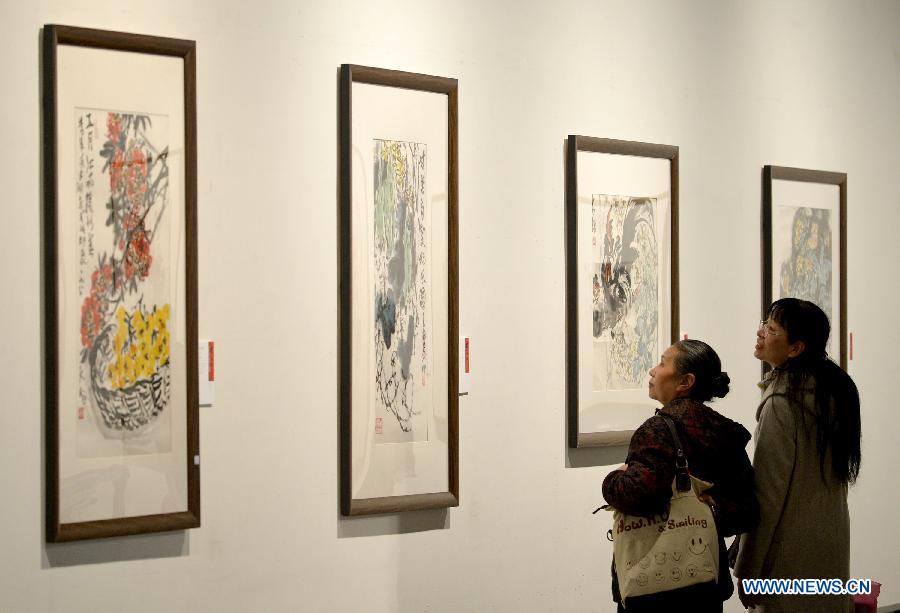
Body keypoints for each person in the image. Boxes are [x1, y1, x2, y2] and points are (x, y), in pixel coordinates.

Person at [603, 340, 758, 612]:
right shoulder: (723, 432)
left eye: (663, 363)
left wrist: (613, 479)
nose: (652, 370)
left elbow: (639, 495)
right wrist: (712, 508)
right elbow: (747, 510)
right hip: (703, 579)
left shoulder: (657, 430)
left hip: (655, 586)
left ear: (685, 381)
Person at [734, 298, 861, 612]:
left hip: (786, 563)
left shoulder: (782, 404)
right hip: (827, 554)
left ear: (795, 348)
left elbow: (766, 496)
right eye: (765, 323)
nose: (761, 332)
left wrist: (748, 573)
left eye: (772, 328)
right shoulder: (832, 392)